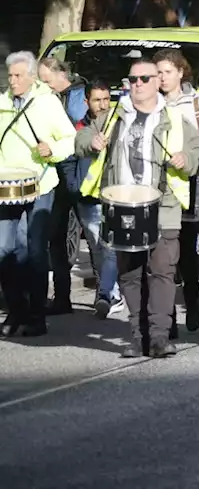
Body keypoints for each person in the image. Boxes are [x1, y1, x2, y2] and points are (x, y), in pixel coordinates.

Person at [76, 58, 199, 357]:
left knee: (161, 271)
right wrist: (91, 141)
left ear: (156, 82)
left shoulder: (173, 118)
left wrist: (186, 158)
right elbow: (81, 136)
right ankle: (138, 336)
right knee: (130, 275)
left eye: (144, 79)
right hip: (122, 207)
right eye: (132, 79)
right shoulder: (113, 116)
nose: (137, 84)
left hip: (164, 205)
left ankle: (160, 337)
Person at [0, 51, 77, 336]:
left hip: (41, 184)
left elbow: (69, 139)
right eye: (10, 75)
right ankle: (16, 309)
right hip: (6, 187)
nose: (13, 80)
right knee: (4, 250)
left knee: (33, 249)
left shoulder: (47, 103)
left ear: (32, 77)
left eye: (18, 75)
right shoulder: (2, 103)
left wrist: (52, 150)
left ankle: (36, 316)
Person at [153, 48, 199, 334]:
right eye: (158, 73)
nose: (162, 78)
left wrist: (188, 153)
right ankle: (167, 318)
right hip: (157, 186)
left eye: (167, 72)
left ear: (181, 72)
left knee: (187, 254)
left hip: (188, 185)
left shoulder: (195, 104)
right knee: (164, 256)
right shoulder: (149, 104)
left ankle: (192, 303)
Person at [36, 57, 88, 316]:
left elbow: (76, 128)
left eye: (46, 81)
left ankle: (107, 293)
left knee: (91, 231)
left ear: (61, 74)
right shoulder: (49, 97)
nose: (44, 86)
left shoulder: (78, 94)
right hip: (55, 170)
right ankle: (62, 298)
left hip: (76, 168)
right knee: (56, 236)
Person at [77, 82, 122, 319]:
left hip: (112, 194)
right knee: (96, 246)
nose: (103, 105)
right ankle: (107, 292)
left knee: (109, 246)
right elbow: (79, 144)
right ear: (87, 102)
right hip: (87, 195)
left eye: (107, 99)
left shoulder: (116, 119)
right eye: (97, 100)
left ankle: (109, 294)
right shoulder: (83, 125)